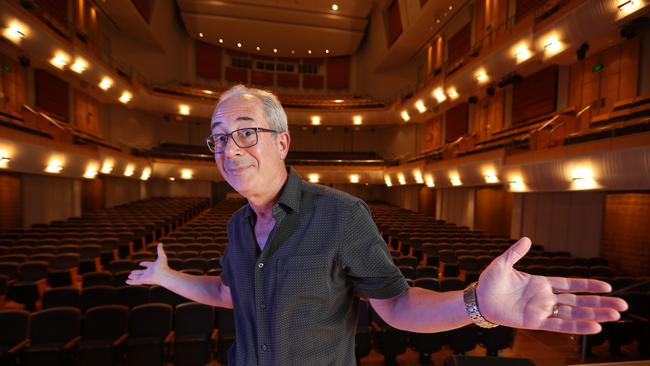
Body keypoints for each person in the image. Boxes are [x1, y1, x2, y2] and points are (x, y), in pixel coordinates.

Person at [127, 85, 628, 365]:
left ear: (281, 143)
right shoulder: (238, 225)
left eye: (245, 132)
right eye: (218, 138)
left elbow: (397, 305)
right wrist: (166, 278)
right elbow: (232, 293)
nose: (230, 148)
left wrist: (475, 304)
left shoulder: (340, 214)